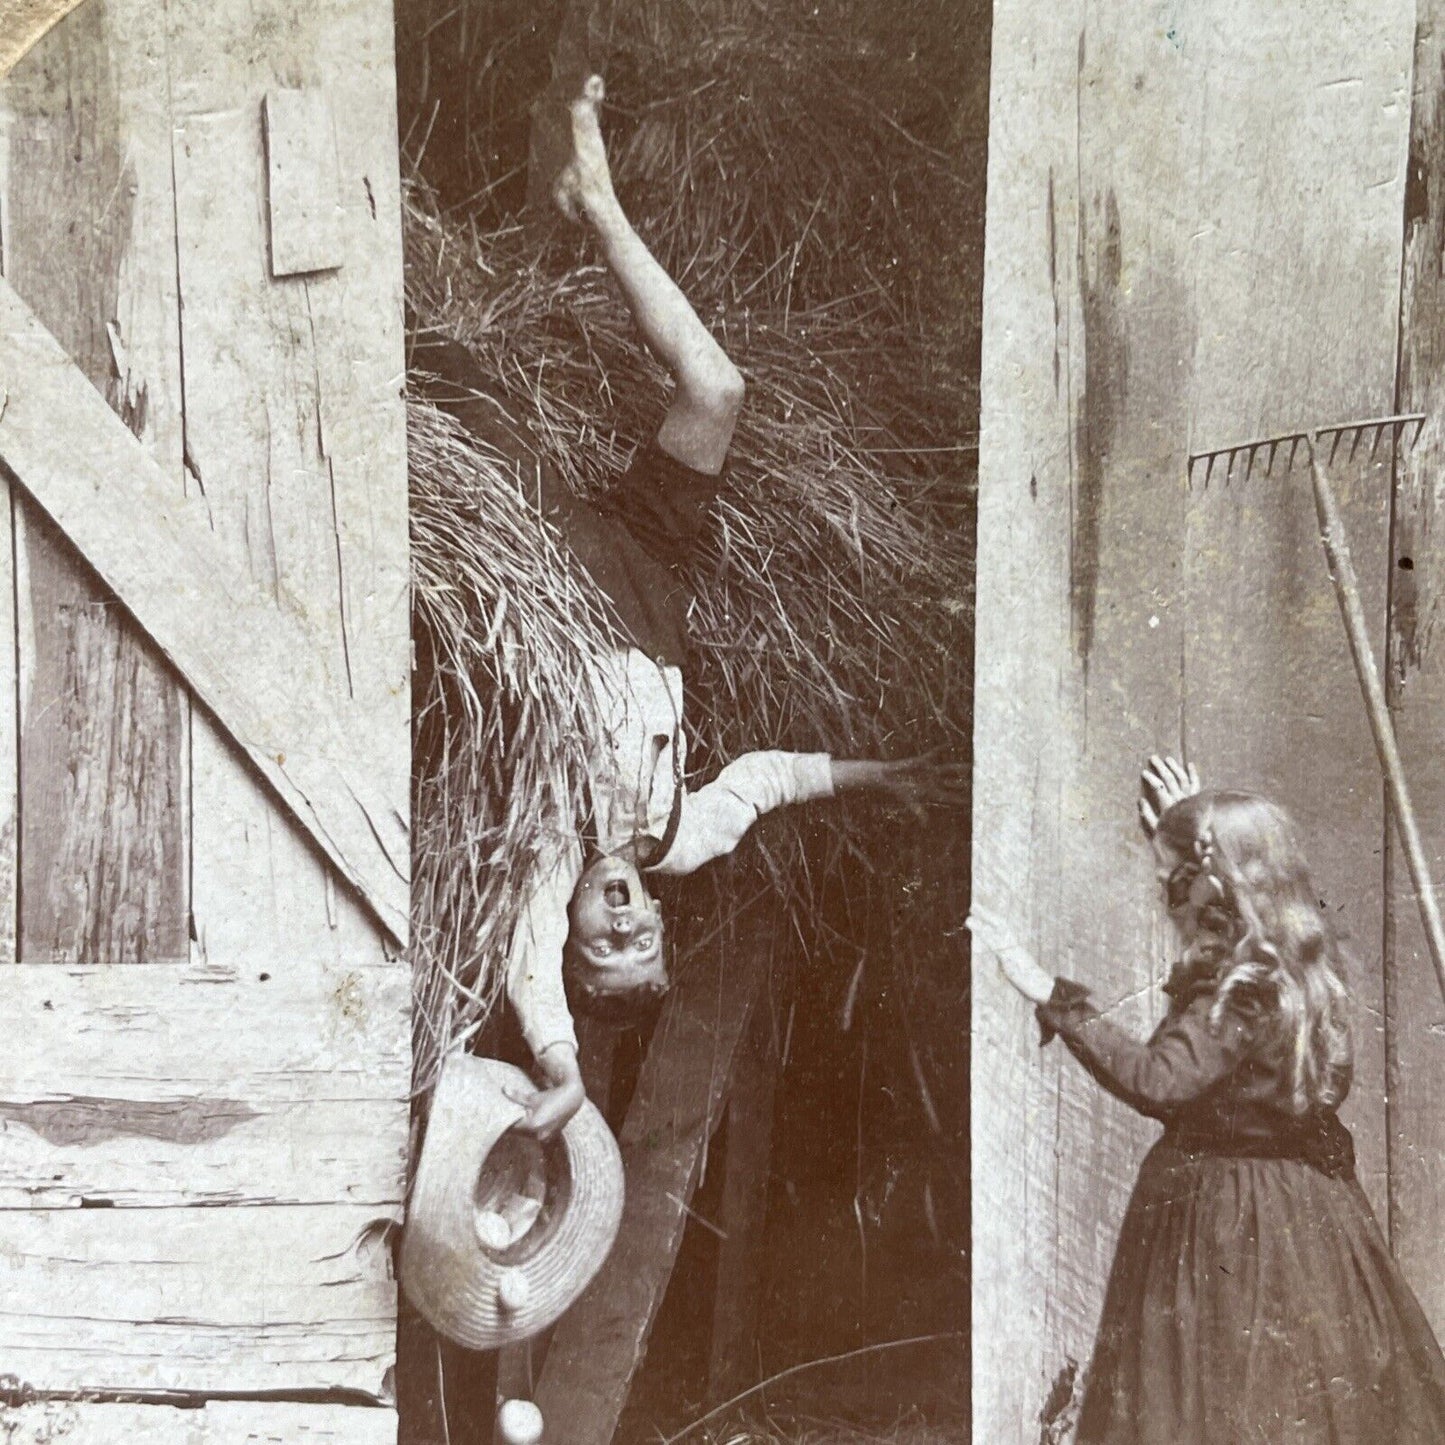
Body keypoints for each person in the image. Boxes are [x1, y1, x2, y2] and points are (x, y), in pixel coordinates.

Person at [411, 77, 963, 1140]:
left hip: (548, 575)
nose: (622, 918)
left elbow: (525, 966)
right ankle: (596, 201)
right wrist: (871, 775)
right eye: (641, 935)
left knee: (447, 374)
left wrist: (559, 1065)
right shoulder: (672, 839)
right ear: (660, 912)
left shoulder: (541, 854)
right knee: (718, 390)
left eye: (604, 941)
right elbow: (761, 784)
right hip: (653, 572)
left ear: (573, 932)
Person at [969, 755, 1445, 1444]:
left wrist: (1046, 990)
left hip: (1222, 1216)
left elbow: (1157, 1078)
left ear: (1214, 881)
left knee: (1215, 1397)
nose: (1162, 889)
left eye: (1173, 878)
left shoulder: (1242, 983)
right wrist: (1197, 828)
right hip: (1304, 1208)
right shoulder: (1301, 953)